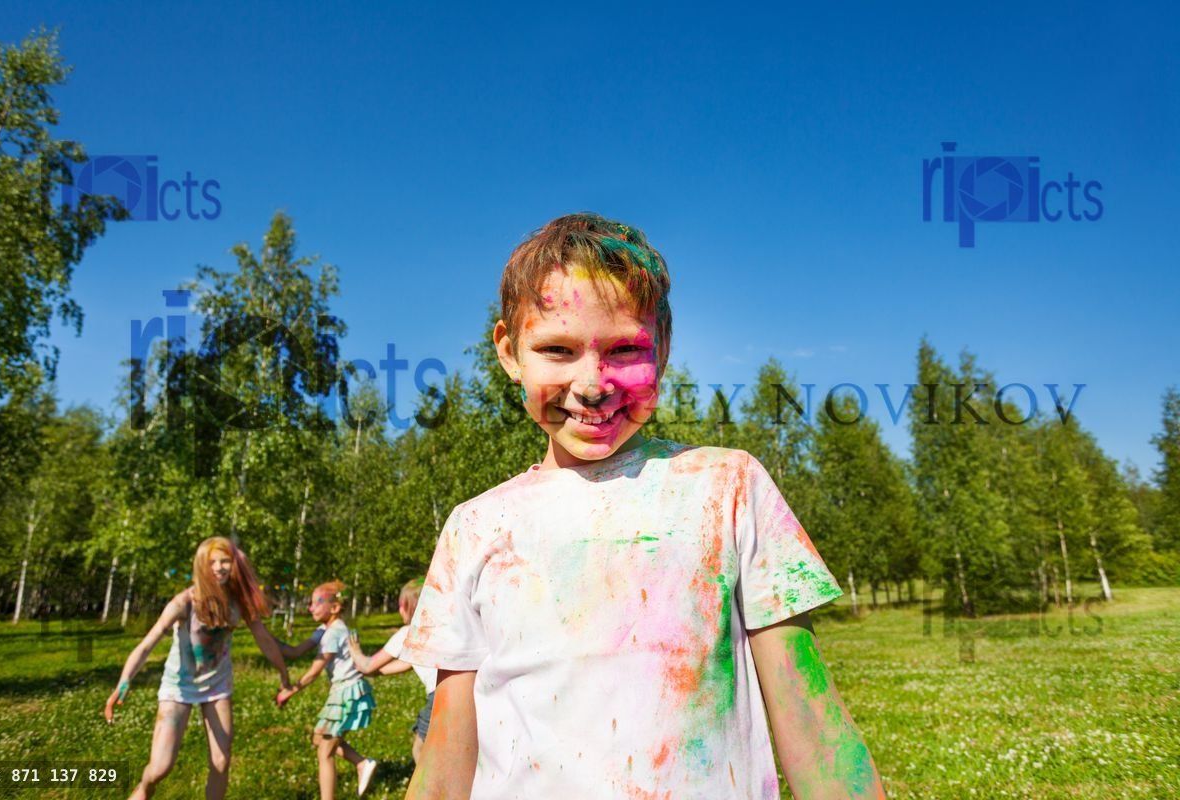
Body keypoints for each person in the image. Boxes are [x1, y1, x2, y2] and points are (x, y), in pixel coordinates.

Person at [398, 213, 887, 799]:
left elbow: (814, 724)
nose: (592, 384)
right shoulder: (474, 527)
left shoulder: (728, 487)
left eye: (625, 349)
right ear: (509, 352)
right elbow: (445, 760)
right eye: (557, 349)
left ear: (664, 347)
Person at [103, 536, 293, 800]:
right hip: (178, 687)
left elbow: (265, 640)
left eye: (225, 561)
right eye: (212, 562)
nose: (219, 568)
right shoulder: (184, 602)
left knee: (221, 761)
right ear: (201, 566)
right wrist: (123, 683)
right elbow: (147, 645)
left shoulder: (239, 602)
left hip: (217, 687)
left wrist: (284, 675)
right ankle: (144, 789)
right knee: (160, 768)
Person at [276, 580, 378, 799]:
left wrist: (289, 691)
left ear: (334, 608)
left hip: (347, 693)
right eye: (311, 603)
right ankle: (362, 763)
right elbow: (295, 651)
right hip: (342, 691)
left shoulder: (335, 632)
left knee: (325, 751)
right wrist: (265, 638)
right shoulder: (325, 629)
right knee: (319, 739)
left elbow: (314, 671)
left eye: (317, 603)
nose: (310, 608)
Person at [347, 578, 438, 765]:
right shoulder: (439, 630)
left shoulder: (409, 632)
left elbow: (367, 664)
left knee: (420, 750)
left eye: (400, 605)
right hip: (461, 691)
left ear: (409, 607)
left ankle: (430, 785)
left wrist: (355, 651)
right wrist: (374, 672)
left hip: (438, 697)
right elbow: (406, 664)